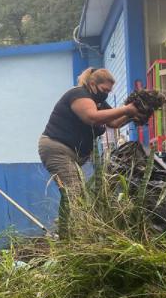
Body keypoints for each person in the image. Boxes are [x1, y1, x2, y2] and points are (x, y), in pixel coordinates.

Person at [38, 67, 142, 238]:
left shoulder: (98, 101)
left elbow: (114, 122)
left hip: (73, 154)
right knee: (75, 192)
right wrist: (126, 109)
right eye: (104, 90)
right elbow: (92, 117)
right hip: (56, 148)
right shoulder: (78, 95)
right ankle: (75, 238)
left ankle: (68, 235)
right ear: (93, 84)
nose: (106, 94)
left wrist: (134, 114)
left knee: (73, 193)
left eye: (109, 91)